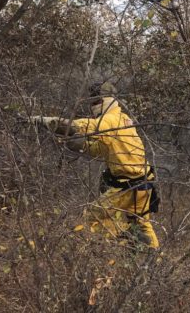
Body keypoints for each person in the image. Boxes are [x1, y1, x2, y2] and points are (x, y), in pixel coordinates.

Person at [31, 81, 160, 249]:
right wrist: (80, 145)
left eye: (95, 101)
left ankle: (122, 240)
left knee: (92, 216)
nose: (93, 106)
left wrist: (48, 121)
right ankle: (155, 257)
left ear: (104, 100)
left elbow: (87, 126)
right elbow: (104, 148)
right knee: (143, 223)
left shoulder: (110, 120)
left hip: (128, 187)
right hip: (145, 185)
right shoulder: (123, 118)